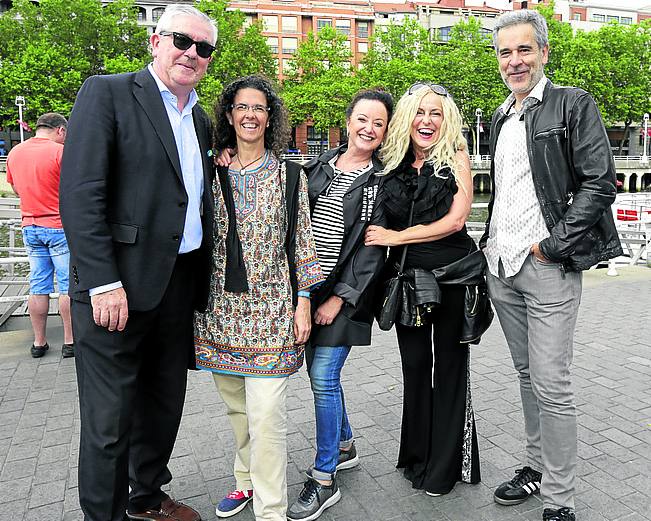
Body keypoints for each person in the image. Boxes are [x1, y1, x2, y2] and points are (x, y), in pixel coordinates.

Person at [59, 5, 217, 521]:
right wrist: (103, 281)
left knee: (163, 406)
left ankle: (146, 497)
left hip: (177, 286)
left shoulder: (199, 116)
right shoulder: (106, 93)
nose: (191, 53)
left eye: (203, 48)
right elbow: (81, 196)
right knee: (108, 423)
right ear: (155, 41)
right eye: (182, 41)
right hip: (116, 289)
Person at [481, 10, 622, 521]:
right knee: (525, 374)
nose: (514, 61)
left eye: (523, 50)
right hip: (502, 265)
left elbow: (600, 182)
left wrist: (553, 246)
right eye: (504, 52)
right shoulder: (501, 115)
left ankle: (560, 499)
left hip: (547, 266)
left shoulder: (572, 103)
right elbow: (509, 191)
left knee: (552, 383)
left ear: (543, 52)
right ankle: (536, 467)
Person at [193, 75, 324, 521]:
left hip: (271, 311)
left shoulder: (291, 174)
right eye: (241, 107)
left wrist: (303, 300)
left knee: (267, 418)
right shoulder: (208, 171)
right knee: (238, 410)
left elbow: (303, 241)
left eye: (259, 108)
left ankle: (271, 510)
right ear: (228, 115)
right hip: (218, 313)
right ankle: (245, 481)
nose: (250, 115)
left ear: (271, 118)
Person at [364, 82, 481, 496]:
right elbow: (347, 159)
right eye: (419, 112)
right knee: (414, 367)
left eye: (436, 113)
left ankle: (445, 467)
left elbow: (455, 221)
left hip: (452, 277)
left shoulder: (457, 159)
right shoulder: (392, 162)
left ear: (446, 120)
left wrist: (396, 238)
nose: (427, 121)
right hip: (407, 284)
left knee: (449, 367)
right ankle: (417, 455)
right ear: (407, 118)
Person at [287, 89, 393, 521]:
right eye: (362, 119)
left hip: (346, 294)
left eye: (379, 123)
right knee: (321, 375)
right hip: (304, 291)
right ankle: (345, 444)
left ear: (386, 132)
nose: (369, 129)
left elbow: (372, 251)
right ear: (348, 121)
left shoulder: (383, 181)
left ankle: (324, 476)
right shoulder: (314, 168)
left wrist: (338, 298)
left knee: (323, 376)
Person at [6, 113, 74, 359]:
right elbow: (73, 189)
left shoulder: (15, 153)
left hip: (30, 226)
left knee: (38, 286)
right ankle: (69, 341)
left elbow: (15, 188)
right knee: (67, 287)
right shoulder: (59, 153)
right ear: (60, 131)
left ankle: (39, 343)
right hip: (58, 226)